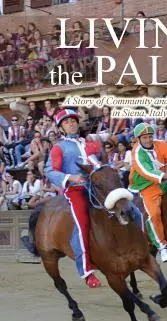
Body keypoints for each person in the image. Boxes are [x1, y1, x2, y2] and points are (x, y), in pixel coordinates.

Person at [46, 109, 102, 288]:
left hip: (96, 187)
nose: (71, 123)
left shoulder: (88, 143)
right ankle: (87, 271)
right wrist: (71, 177)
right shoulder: (58, 147)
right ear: (61, 127)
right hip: (75, 190)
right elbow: (50, 171)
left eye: (73, 121)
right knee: (82, 224)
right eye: (66, 122)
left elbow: (96, 162)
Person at [129, 122, 167, 262]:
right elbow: (148, 172)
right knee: (154, 214)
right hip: (147, 185)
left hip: (164, 180)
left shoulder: (160, 144)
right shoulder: (136, 153)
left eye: (150, 136)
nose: (148, 140)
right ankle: (162, 247)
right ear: (138, 139)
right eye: (144, 138)